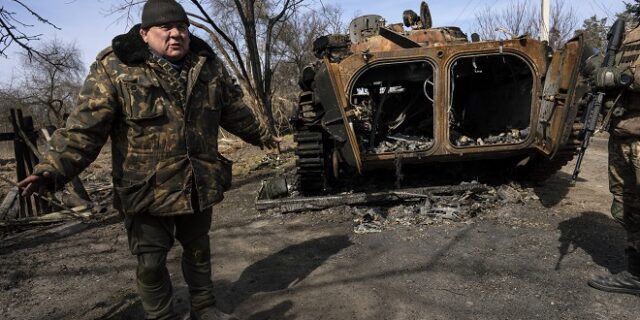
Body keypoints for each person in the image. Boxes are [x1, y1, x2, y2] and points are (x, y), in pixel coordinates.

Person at [18, 0, 279, 319]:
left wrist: (263, 135)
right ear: (144, 34)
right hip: (145, 186)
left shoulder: (207, 64)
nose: (176, 34)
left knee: (199, 251)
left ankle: (205, 307)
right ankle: (162, 316)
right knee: (151, 261)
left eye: (182, 27)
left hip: (197, 179)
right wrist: (51, 168)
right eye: (165, 28)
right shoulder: (115, 67)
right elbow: (85, 127)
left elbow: (234, 110)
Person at [587, 18, 640, 296]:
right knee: (627, 204)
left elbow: (622, 74)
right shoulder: (630, 30)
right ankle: (636, 274)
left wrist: (619, 75)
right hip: (623, 131)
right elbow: (602, 65)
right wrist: (597, 67)